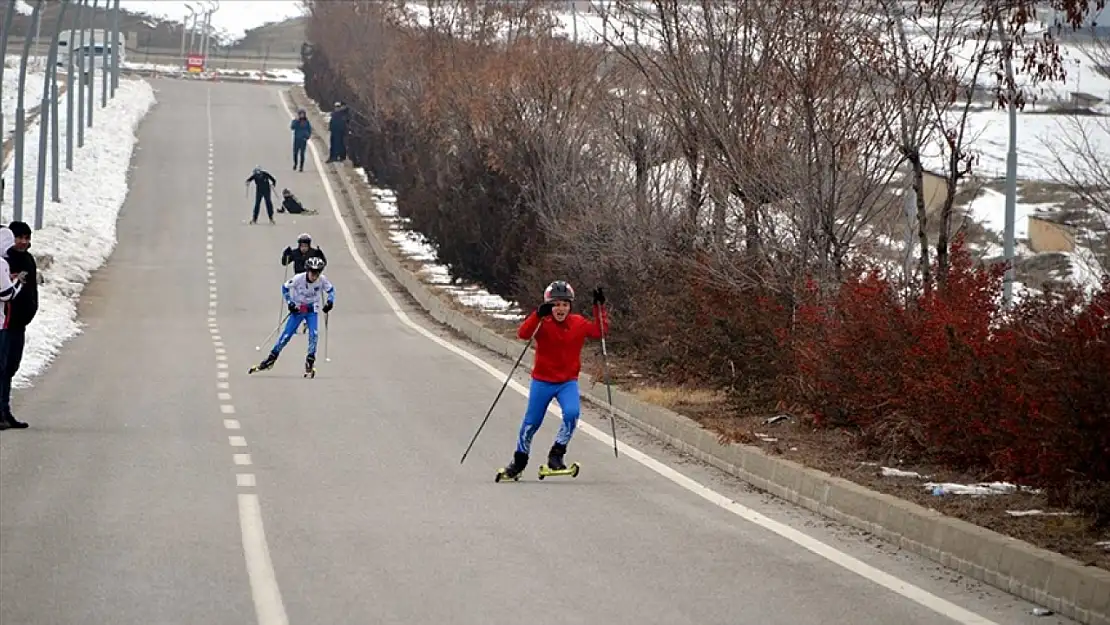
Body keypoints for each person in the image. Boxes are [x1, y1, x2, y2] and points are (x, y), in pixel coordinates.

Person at [498, 281, 607, 479]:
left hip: (567, 382)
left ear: (570, 306)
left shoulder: (578, 323)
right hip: (542, 382)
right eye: (556, 304)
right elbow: (523, 334)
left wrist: (599, 307)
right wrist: (537, 314)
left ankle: (556, 454)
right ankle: (519, 462)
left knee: (572, 414)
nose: (560, 309)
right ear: (549, 305)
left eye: (565, 304)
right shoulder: (543, 323)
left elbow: (599, 332)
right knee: (532, 423)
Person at [250, 256, 335, 376]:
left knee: (314, 334)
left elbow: (331, 290)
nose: (314, 276)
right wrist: (289, 302)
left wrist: (330, 301)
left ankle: (310, 360)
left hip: (312, 310)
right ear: (307, 270)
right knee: (286, 335)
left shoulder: (322, 280)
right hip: (298, 309)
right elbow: (285, 288)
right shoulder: (298, 278)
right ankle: (271, 358)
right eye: (312, 272)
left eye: (317, 273)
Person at [0, 222, 36, 430]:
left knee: (11, 367)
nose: (23, 242)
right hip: (5, 323)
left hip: (19, 324)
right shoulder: (5, 261)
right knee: (2, 368)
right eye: (18, 237)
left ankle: (5, 410)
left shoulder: (27, 259)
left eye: (26, 237)